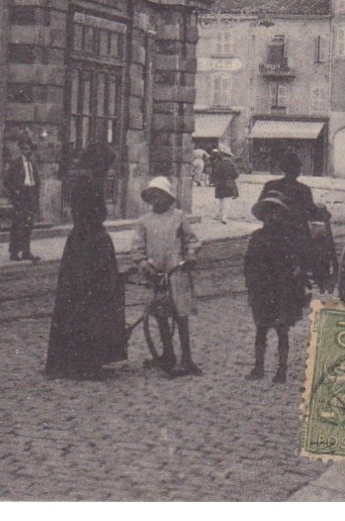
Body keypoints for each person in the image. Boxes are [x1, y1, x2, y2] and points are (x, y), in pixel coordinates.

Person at [45, 144, 127, 380]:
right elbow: (97, 215)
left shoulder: (81, 182)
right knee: (94, 299)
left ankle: (70, 359)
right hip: (93, 246)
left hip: (79, 246)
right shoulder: (91, 184)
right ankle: (88, 361)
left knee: (76, 300)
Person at [130, 175, 202, 377]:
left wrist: (189, 255)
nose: (156, 200)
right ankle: (168, 354)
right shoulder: (144, 221)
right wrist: (144, 264)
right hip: (156, 275)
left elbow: (192, 240)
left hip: (176, 272)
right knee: (161, 314)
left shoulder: (178, 217)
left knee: (181, 315)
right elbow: (137, 248)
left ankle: (187, 359)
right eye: (152, 196)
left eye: (160, 196)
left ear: (167, 197)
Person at [244, 190, 309, 384]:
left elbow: (296, 263)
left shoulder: (287, 238)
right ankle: (259, 367)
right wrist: (252, 286)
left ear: (282, 215)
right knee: (261, 329)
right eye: (268, 213)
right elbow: (248, 264)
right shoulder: (256, 237)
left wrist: (294, 282)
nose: (272, 217)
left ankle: (282, 370)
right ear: (263, 216)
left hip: (281, 289)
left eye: (276, 213)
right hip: (262, 290)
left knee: (282, 330)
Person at [3, 129, 41, 263]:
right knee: (17, 224)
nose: (26, 151)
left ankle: (26, 251)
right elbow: (6, 181)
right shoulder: (16, 163)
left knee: (28, 224)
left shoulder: (33, 163)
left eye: (28, 149)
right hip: (21, 195)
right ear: (20, 149)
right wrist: (16, 192)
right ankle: (14, 252)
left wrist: (36, 196)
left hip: (31, 194)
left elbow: (37, 181)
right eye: (23, 149)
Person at [212, 142, 239, 223]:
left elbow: (215, 173)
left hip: (220, 183)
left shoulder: (219, 163)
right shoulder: (232, 164)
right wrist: (231, 178)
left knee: (221, 200)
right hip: (229, 183)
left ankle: (221, 216)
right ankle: (224, 217)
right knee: (227, 200)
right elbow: (236, 174)